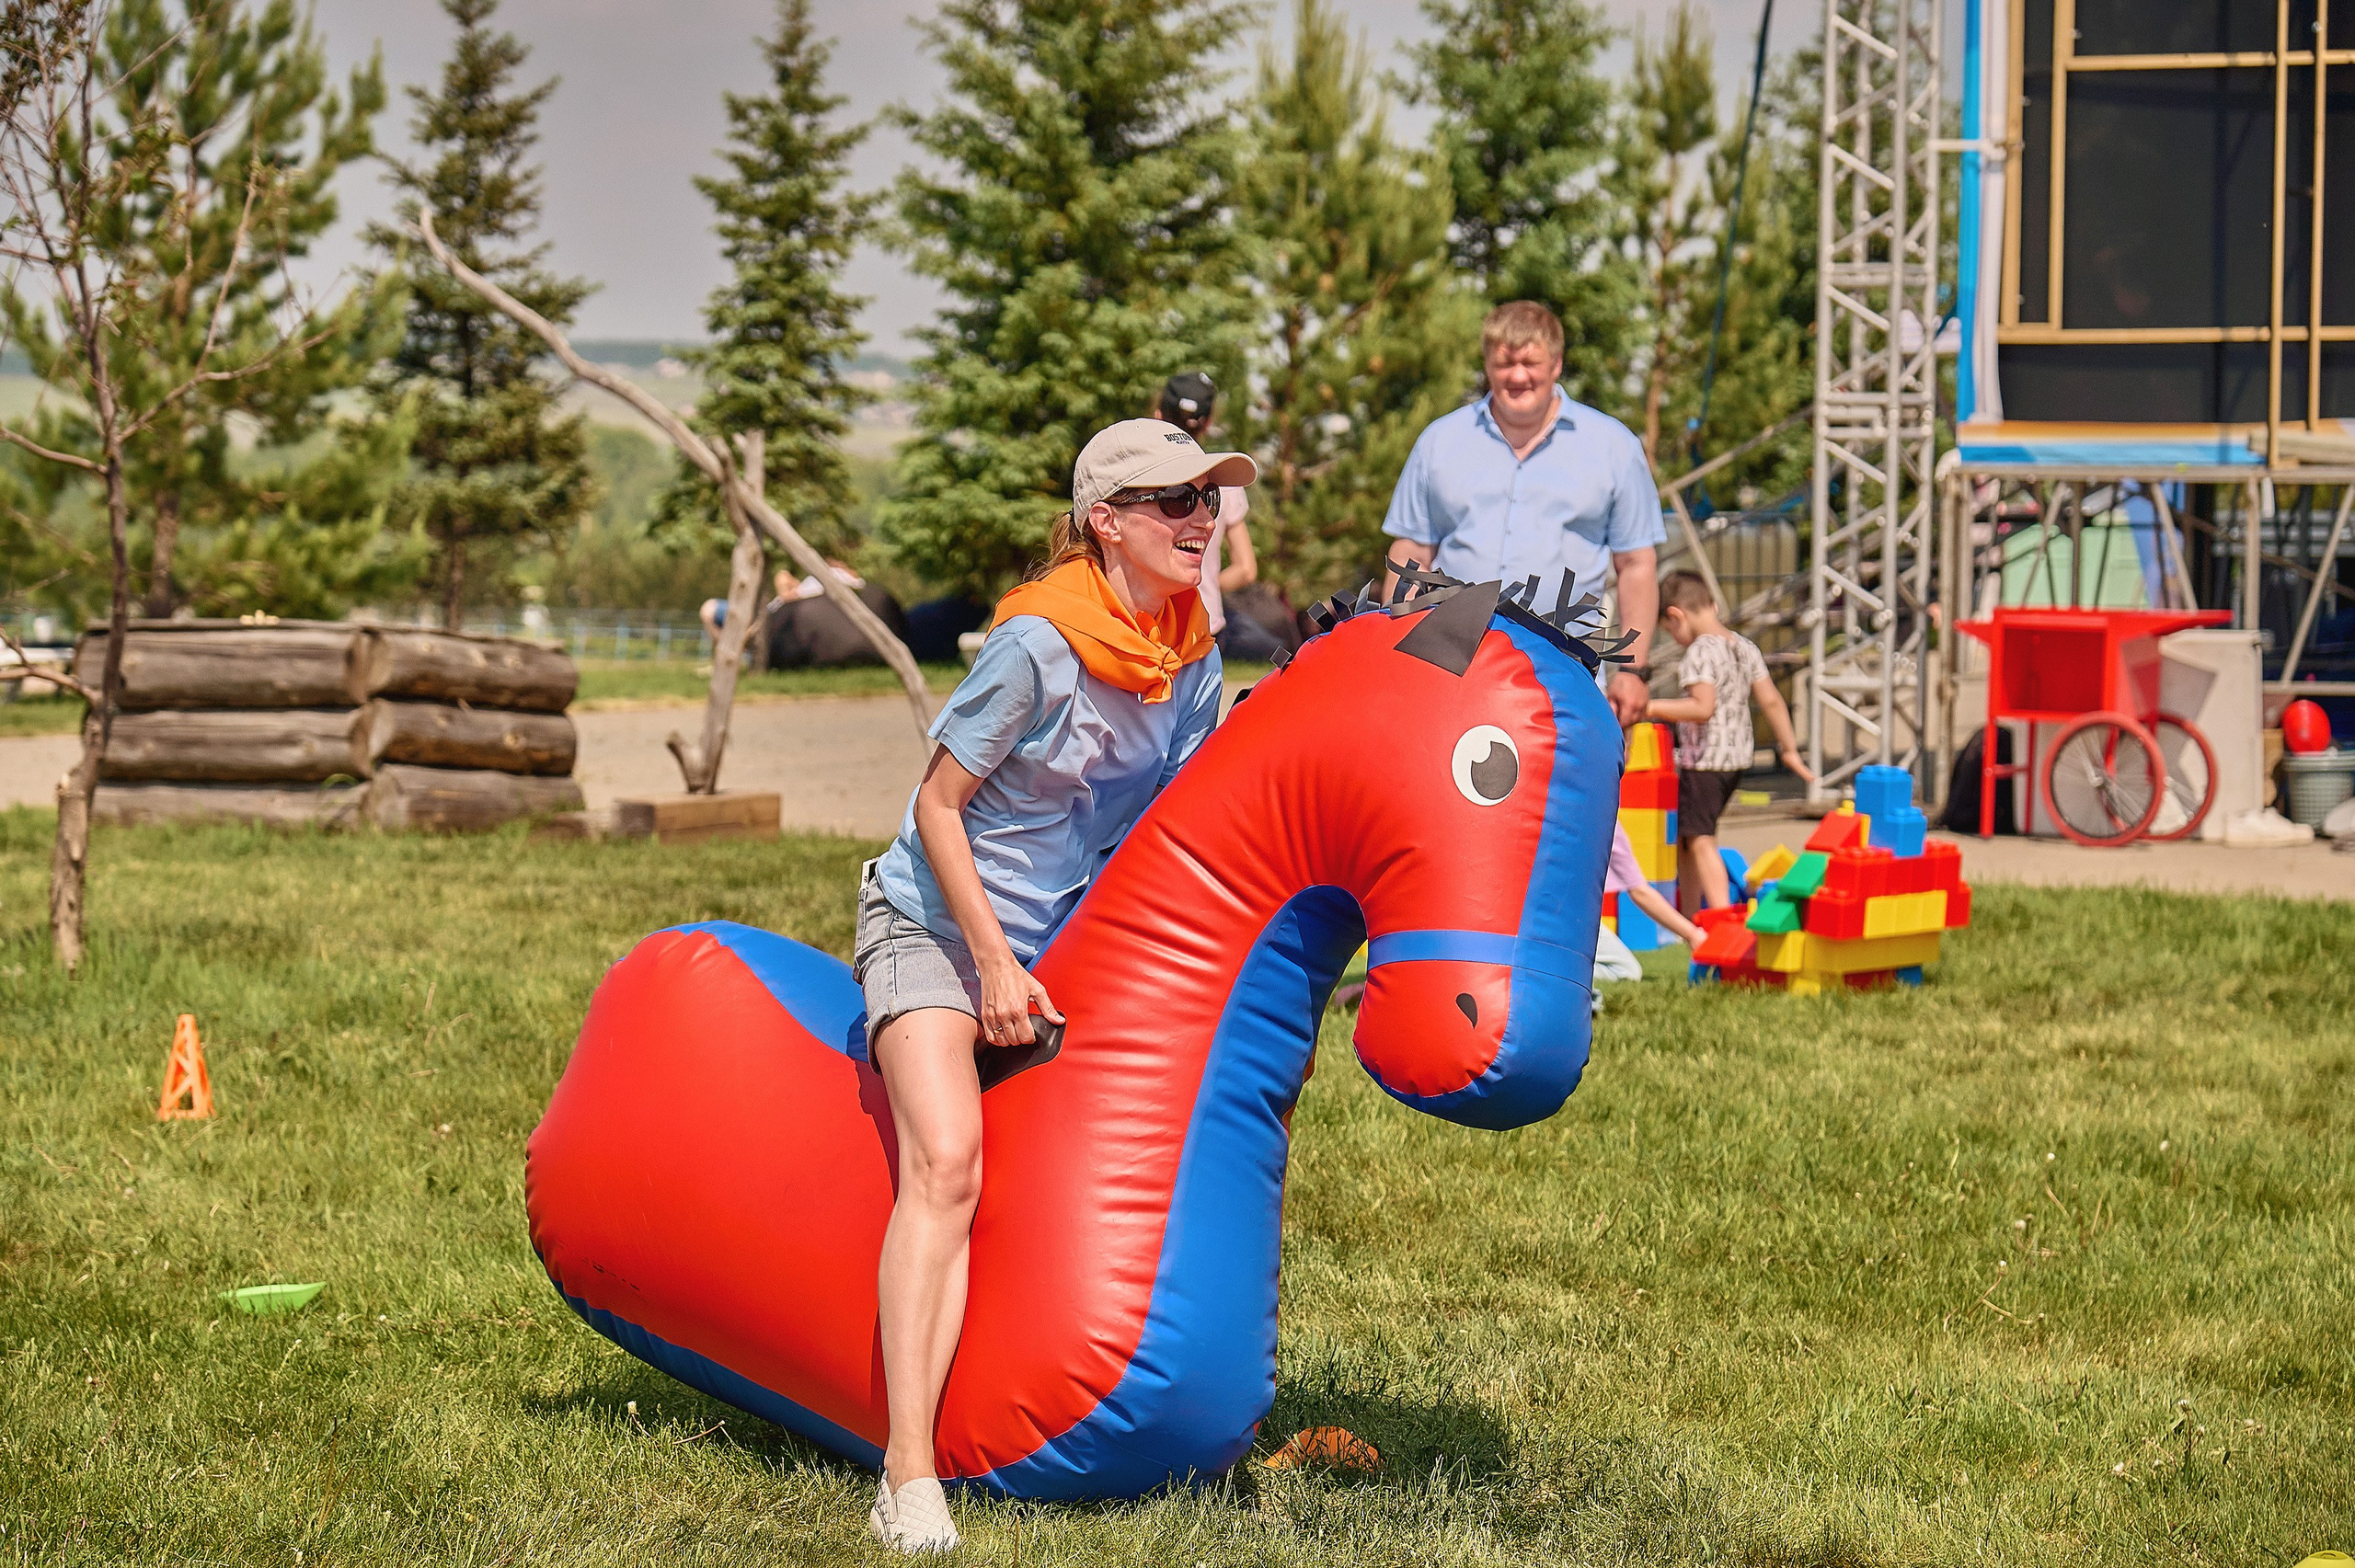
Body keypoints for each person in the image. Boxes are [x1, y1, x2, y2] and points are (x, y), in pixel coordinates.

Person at [856, 418, 1252, 1552]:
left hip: (1066, 944)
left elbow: (1183, 832)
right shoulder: (1035, 645)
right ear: (1105, 524)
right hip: (936, 926)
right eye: (1172, 501)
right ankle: (907, 1472)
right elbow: (937, 807)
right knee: (946, 1156)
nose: (1199, 519)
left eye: (1208, 499)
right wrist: (988, 962)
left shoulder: (1191, 657)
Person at [1381, 301, 1665, 727]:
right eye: (1504, 363)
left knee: (1561, 793)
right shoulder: (1439, 441)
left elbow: (1636, 565)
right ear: (1487, 364)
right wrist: (1391, 644)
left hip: (1566, 669)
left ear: (1557, 364)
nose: (1517, 376)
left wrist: (1633, 670)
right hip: (1448, 666)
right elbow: (1412, 550)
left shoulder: (1614, 447)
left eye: (1530, 362)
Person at [1644, 569, 1813, 910]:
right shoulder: (1744, 646)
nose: (1674, 638)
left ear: (1676, 615)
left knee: (1701, 840)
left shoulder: (1699, 652)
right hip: (1735, 761)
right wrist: (1790, 750)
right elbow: (1771, 701)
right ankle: (1690, 916)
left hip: (1705, 762)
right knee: (1688, 840)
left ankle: (1719, 915)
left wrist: (1648, 706)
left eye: (1669, 630)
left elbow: (1701, 708)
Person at [1152, 371, 1284, 660]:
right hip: (1205, 625)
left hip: (1149, 626)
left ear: (1158, 416)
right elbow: (1247, 569)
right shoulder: (1226, 482)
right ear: (1208, 423)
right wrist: (1205, 581)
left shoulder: (1140, 482)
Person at [1591, 818, 1705, 1012]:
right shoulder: (1603, 821)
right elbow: (1640, 892)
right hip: (1566, 922)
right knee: (1626, 970)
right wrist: (1692, 934)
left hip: (1537, 915)